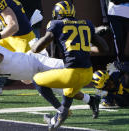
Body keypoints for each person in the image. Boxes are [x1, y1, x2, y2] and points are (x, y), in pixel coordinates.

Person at [0, 33, 100, 118]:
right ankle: (91, 100)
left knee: (71, 67)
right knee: (62, 91)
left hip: (37, 63)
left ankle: (101, 72)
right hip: (30, 74)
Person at [30, 1, 109, 130]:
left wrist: (33, 45)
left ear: (57, 13)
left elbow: (37, 48)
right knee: (68, 91)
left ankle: (61, 111)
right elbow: (104, 48)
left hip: (71, 73)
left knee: (36, 80)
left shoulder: (56, 24)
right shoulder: (86, 24)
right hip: (88, 73)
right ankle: (60, 116)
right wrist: (86, 46)